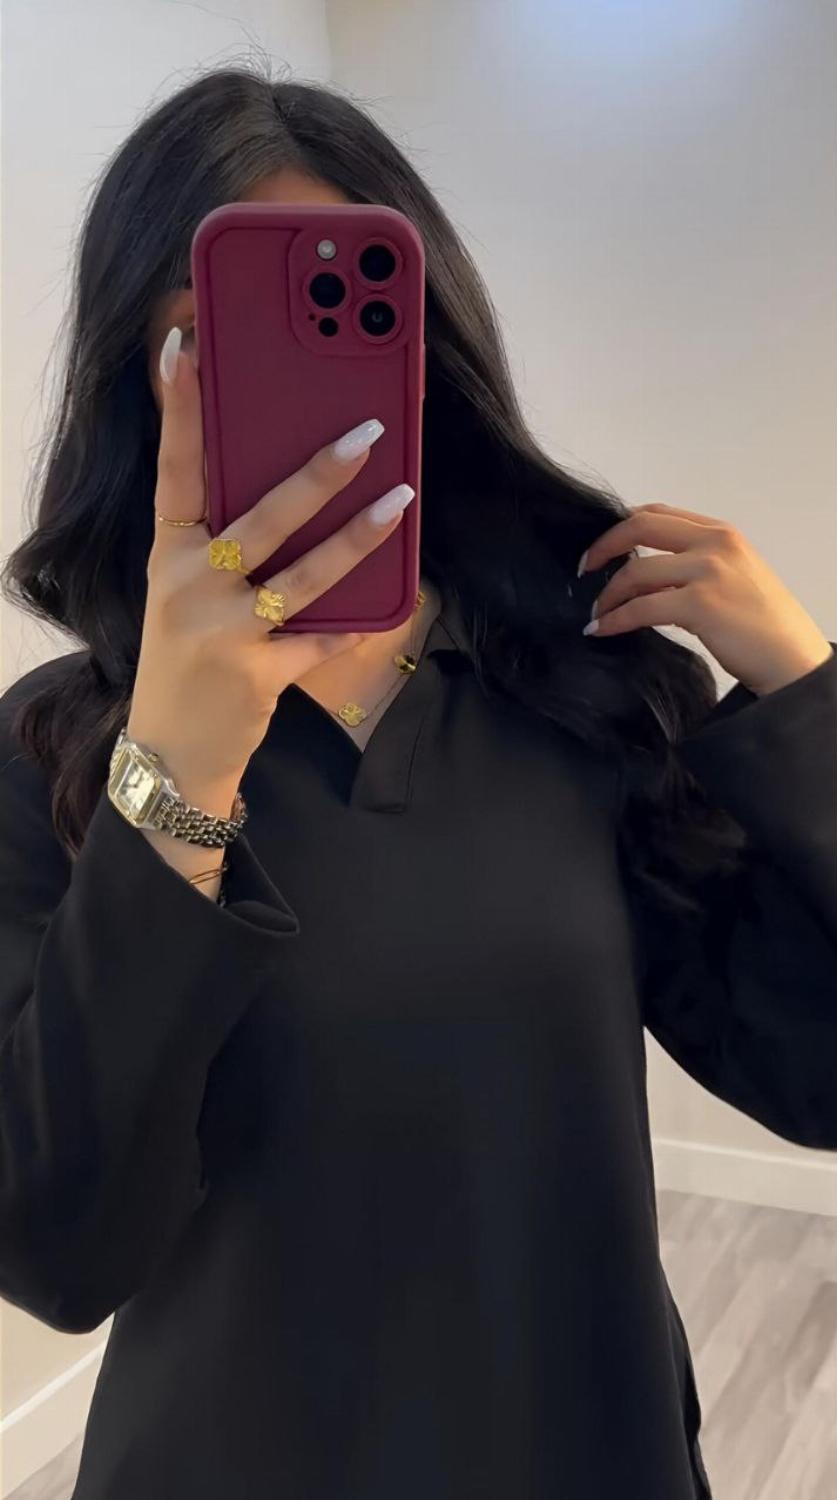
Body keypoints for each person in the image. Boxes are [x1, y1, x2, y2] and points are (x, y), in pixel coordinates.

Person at [1, 62, 835, 1500]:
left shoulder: (589, 696)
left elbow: (816, 1074)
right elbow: (60, 1250)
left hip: (584, 1446)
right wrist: (177, 777)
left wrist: (810, 698)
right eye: (204, 339)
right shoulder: (56, 756)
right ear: (139, 383)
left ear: (425, 350)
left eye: (346, 321)